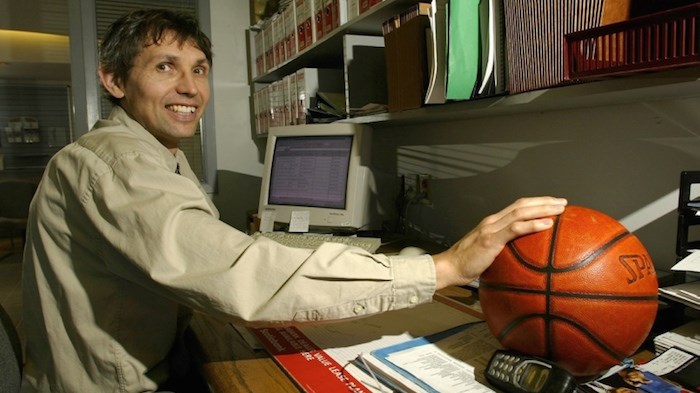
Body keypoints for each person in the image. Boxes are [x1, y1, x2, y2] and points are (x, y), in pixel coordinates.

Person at [20, 8, 568, 393]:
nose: (190, 88)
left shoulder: (153, 152)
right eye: (165, 67)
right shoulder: (115, 163)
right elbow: (237, 274)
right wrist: (440, 267)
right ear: (114, 80)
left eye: (199, 70)